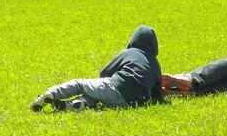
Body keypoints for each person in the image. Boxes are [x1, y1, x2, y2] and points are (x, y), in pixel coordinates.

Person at [31, 25, 162, 112]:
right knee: (96, 92)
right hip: (134, 103)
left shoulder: (129, 52)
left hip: (117, 87)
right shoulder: (156, 64)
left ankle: (51, 93)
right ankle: (72, 105)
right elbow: (157, 94)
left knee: (80, 84)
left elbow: (105, 73)